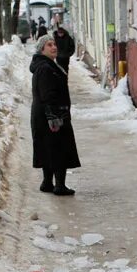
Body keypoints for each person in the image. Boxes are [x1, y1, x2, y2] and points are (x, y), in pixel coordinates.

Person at [30, 35, 80, 196]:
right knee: (59, 148)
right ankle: (59, 185)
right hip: (52, 114)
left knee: (48, 148)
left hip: (44, 114)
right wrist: (54, 116)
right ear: (42, 49)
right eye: (49, 45)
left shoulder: (45, 65)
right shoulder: (46, 68)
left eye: (54, 44)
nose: (54, 47)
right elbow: (47, 94)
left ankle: (47, 182)